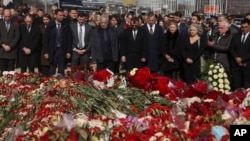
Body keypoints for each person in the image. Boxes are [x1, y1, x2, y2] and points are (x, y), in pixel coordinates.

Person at [44, 9, 72, 76]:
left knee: (61, 69)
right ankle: (51, 83)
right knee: (52, 69)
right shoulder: (50, 25)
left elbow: (69, 39)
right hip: (53, 50)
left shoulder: (66, 26)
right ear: (55, 15)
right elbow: (46, 39)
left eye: (63, 15)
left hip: (62, 50)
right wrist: (46, 52)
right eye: (60, 15)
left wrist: (68, 51)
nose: (62, 17)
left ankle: (61, 84)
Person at [229, 18, 250, 90]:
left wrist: (242, 60)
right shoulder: (236, 36)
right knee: (236, 87)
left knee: (246, 88)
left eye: (246, 27)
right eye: (242, 27)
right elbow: (231, 48)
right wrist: (236, 58)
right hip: (236, 66)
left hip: (247, 66)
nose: (244, 29)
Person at [0, 9, 20, 75]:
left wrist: (10, 46)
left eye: (8, 16)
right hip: (2, 52)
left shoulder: (16, 25)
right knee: (3, 73)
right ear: (3, 16)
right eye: (6, 16)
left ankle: (11, 85)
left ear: (11, 16)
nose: (7, 18)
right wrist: (3, 45)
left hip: (12, 52)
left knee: (11, 73)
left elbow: (17, 37)